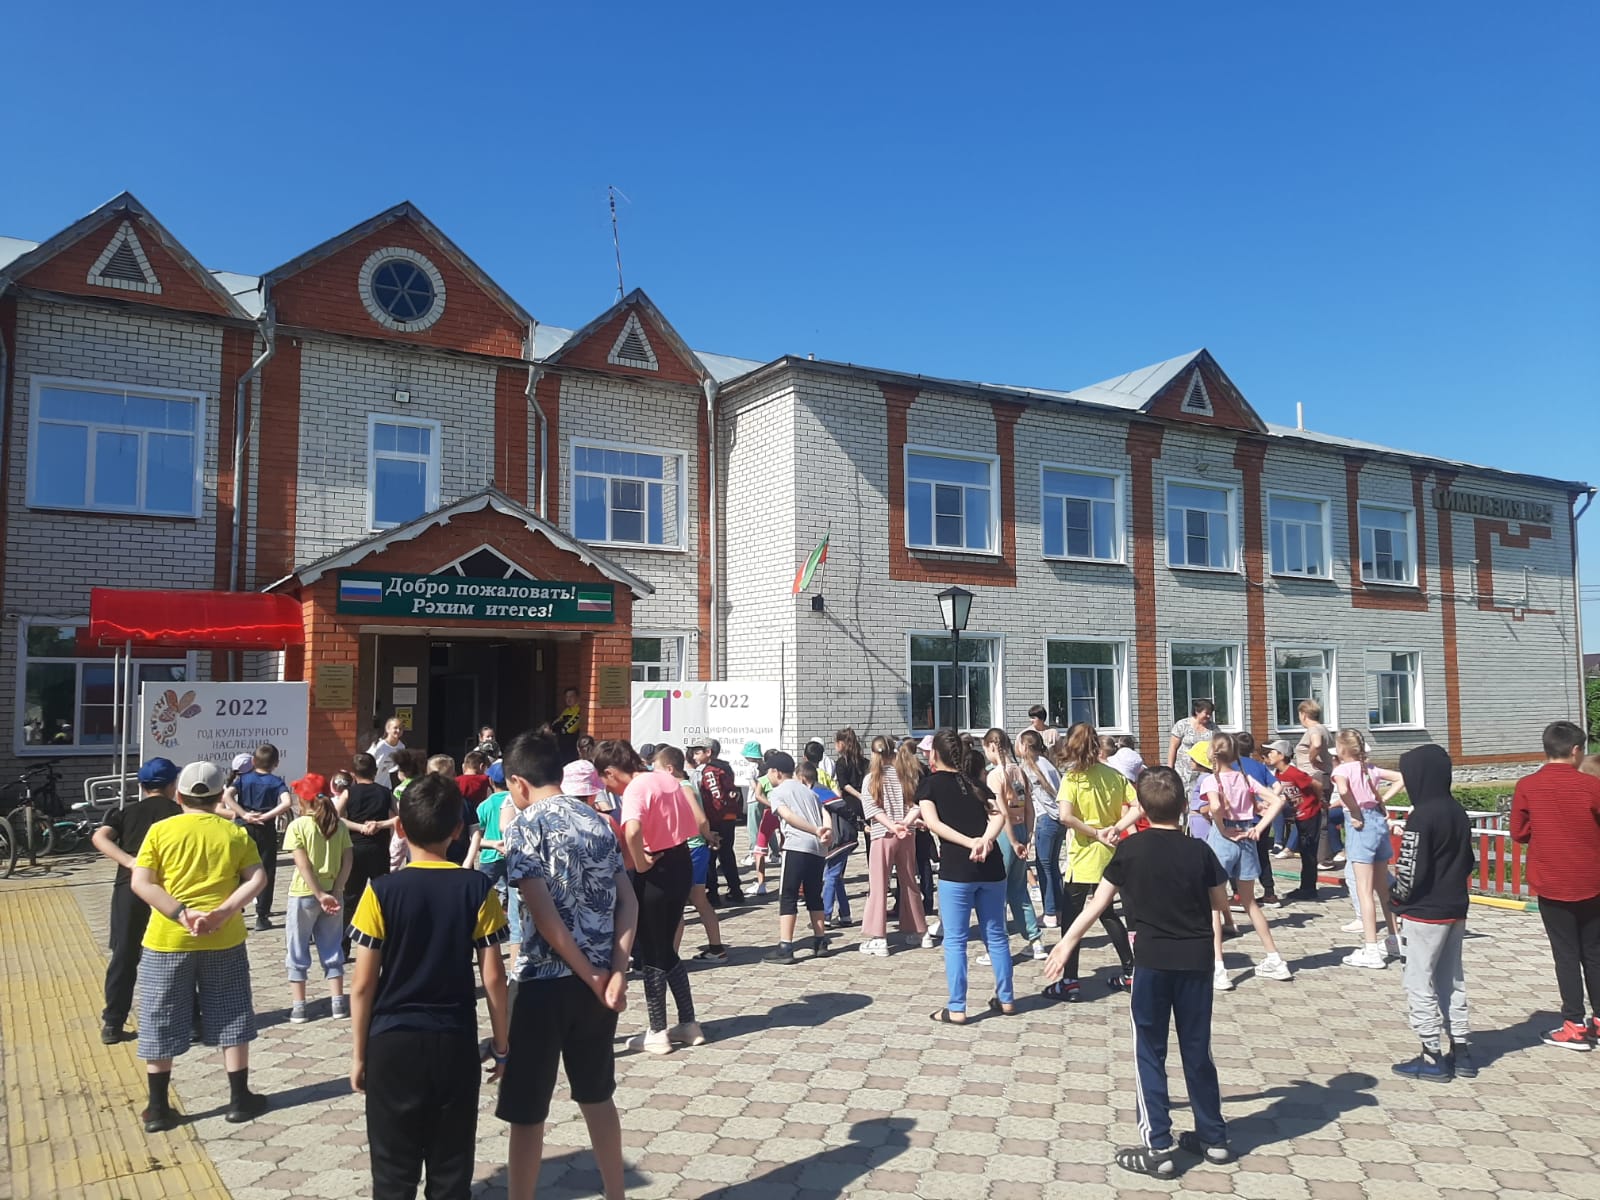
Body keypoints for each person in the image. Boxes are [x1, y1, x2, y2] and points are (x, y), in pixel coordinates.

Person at [1044, 767, 1232, 1178]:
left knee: (1149, 1050)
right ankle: (1213, 1138)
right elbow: (1221, 902)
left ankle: (1158, 1146)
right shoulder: (1199, 850)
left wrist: (1067, 942)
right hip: (1196, 961)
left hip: (1152, 962)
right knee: (1197, 1049)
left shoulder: (1129, 851)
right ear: (1184, 806)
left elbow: (1097, 904)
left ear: (1141, 808)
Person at [348, 772, 510, 1200]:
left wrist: (360, 1054)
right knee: (451, 1168)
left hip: (391, 1040)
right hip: (454, 1038)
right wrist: (502, 1044)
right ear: (457, 830)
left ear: (400, 827)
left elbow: (362, 984)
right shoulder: (478, 888)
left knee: (392, 1171)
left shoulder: (380, 891)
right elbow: (494, 977)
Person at [498, 733, 636, 1200]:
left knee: (527, 1110)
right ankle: (615, 1192)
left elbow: (542, 914)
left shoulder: (525, 825)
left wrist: (593, 973)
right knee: (597, 1095)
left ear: (518, 782)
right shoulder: (599, 821)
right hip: (598, 984)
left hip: (542, 982)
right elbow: (628, 902)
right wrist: (615, 971)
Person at [131, 760, 269, 1131]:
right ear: (219, 796)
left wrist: (180, 913)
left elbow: (141, 883)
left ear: (178, 796)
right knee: (232, 1011)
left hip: (167, 939)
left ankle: (157, 1108)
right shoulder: (234, 832)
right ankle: (239, 1100)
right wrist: (223, 911)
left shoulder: (160, 831)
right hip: (224, 937)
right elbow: (257, 878)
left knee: (160, 1016)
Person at [594, 740, 700, 1055]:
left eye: (605, 781)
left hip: (656, 870)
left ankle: (657, 1030)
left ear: (611, 772)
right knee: (665, 948)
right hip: (681, 861)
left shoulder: (636, 789)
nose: (607, 788)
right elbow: (694, 820)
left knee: (652, 951)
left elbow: (632, 830)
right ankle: (688, 1023)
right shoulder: (667, 779)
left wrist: (640, 862)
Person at [1389, 744, 1476, 1081]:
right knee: (1452, 979)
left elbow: (1410, 870)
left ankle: (1431, 1054)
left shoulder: (1421, 816)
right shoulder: (1457, 811)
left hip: (1424, 912)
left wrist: (1397, 899)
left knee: (1419, 980)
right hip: (1455, 906)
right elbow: (1468, 860)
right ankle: (1462, 1050)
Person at [1512, 719, 1600, 1050]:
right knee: (1595, 951)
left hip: (1551, 881)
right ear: (1576, 751)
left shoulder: (1528, 786)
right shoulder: (1591, 786)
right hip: (1593, 880)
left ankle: (1574, 1024)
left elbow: (1519, 832)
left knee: (1566, 954)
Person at [917, 728, 1011, 1023]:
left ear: (934, 754)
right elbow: (999, 814)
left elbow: (934, 823)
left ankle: (957, 1007)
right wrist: (986, 840)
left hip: (957, 869)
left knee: (956, 940)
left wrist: (971, 843)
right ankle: (1006, 998)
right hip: (992, 866)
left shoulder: (929, 785)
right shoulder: (974, 781)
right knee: (996, 935)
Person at [1046, 723, 1139, 1001]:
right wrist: (1117, 827)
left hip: (1084, 855)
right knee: (1108, 913)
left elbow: (1065, 816)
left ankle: (1070, 981)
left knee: (1071, 919)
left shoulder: (1072, 779)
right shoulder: (1114, 775)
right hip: (1110, 854)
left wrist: (1095, 832)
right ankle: (1131, 971)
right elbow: (1138, 806)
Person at [94, 757, 183, 1045]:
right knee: (180, 951)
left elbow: (100, 838)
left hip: (129, 888)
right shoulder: (179, 812)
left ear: (142, 786)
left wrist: (130, 861)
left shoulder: (126, 812)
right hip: (169, 888)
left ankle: (113, 1022)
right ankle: (191, 1020)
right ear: (172, 785)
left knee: (124, 954)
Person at [1199, 733, 1293, 989]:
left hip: (1223, 840)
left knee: (1214, 906)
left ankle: (1219, 968)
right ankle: (1274, 958)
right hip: (1247, 838)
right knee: (1250, 902)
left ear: (1212, 753)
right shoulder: (1245, 777)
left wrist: (1220, 825)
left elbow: (1215, 807)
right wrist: (1259, 828)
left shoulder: (1211, 780)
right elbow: (1277, 800)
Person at [283, 773, 353, 1023]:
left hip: (304, 893)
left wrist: (318, 894)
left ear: (303, 800)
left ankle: (299, 1006)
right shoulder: (339, 825)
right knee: (333, 946)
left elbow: (303, 865)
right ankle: (338, 1003)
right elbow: (348, 860)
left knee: (297, 947)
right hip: (333, 893)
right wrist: (335, 891)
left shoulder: (297, 826)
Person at [1332, 729, 1404, 969]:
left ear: (1342, 749)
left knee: (1364, 890)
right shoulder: (1371, 769)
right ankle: (1394, 939)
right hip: (1378, 822)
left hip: (1360, 826)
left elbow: (1343, 791)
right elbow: (1400, 778)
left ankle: (1371, 948)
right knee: (1383, 887)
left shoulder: (1342, 770)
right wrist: (1383, 799)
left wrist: (1354, 811)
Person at [656, 745, 728, 963]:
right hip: (695, 848)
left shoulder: (682, 787)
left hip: (691, 849)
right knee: (699, 900)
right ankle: (716, 948)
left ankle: (670, 958)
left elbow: (701, 819)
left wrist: (707, 835)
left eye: (657, 769)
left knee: (676, 904)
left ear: (669, 769)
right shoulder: (683, 786)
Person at [763, 751, 836, 963]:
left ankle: (785, 946)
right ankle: (820, 941)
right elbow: (825, 813)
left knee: (788, 895)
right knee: (814, 894)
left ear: (776, 772)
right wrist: (826, 831)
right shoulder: (808, 791)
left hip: (796, 846)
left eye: (768, 772)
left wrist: (815, 830)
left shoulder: (777, 792)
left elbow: (788, 816)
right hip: (818, 849)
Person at [859, 735, 927, 956]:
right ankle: (920, 931)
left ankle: (879, 938)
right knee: (909, 881)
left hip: (883, 834)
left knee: (879, 884)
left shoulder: (872, 778)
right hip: (907, 834)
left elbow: (873, 810)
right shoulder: (906, 775)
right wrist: (905, 823)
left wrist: (892, 825)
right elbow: (917, 805)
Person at [982, 728, 1045, 963]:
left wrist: (1012, 841)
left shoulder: (994, 776)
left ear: (991, 747)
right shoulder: (1020, 771)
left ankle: (997, 947)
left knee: (996, 892)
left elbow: (1001, 813)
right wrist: (1026, 836)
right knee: (1019, 890)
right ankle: (1035, 941)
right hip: (1020, 830)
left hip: (1004, 836)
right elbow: (1029, 809)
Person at [222, 743, 292, 931]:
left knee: (238, 867)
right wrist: (267, 815)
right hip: (265, 829)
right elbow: (287, 802)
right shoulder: (276, 782)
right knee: (266, 870)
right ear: (276, 763)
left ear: (253, 761)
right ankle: (262, 915)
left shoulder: (243, 779)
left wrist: (244, 814)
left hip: (244, 827)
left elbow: (227, 796)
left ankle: (235, 908)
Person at [337, 753, 396, 960]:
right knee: (383, 897)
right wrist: (380, 824)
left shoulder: (348, 793)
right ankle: (386, 945)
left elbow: (336, 817)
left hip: (355, 850)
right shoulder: (385, 792)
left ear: (353, 774)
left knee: (350, 898)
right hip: (379, 850)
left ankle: (343, 947)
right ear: (376, 771)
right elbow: (401, 815)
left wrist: (359, 826)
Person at [1265, 740, 1324, 902]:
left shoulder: (1293, 772)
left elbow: (1317, 784)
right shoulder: (1279, 774)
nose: (1268, 755)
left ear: (1281, 755)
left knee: (1309, 852)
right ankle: (1305, 886)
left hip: (1310, 814)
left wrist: (1318, 801)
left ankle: (1309, 889)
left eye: (1271, 752)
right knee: (1304, 851)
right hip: (1299, 815)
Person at [1017, 730, 1064, 928]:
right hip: (1059, 820)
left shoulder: (1029, 767)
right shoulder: (1048, 763)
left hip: (1046, 818)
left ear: (1025, 746)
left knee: (1044, 867)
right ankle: (1059, 911)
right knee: (1052, 866)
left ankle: (1050, 912)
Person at [690, 737, 745, 905]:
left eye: (697, 752)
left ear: (708, 752)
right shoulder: (725, 767)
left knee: (710, 857)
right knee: (727, 854)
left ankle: (712, 894)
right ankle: (735, 890)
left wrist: (708, 823)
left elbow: (717, 798)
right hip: (728, 818)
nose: (693, 756)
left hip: (717, 819)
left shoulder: (710, 771)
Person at [1232, 733, 1280, 908]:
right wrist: (1268, 801)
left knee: (1237, 856)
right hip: (1261, 818)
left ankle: (1238, 895)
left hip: (1241, 817)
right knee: (1262, 855)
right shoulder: (1260, 766)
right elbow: (1278, 785)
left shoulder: (1232, 766)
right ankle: (1270, 893)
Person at [810, 760, 858, 930]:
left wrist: (857, 823)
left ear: (803, 779)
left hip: (840, 838)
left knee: (830, 876)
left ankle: (826, 915)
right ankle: (845, 915)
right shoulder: (817, 791)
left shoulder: (819, 792)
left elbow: (841, 806)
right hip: (838, 839)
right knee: (835, 876)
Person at [1167, 700, 1216, 789]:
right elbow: (1173, 747)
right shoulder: (1183, 725)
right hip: (1183, 770)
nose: (1209, 716)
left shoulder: (1213, 728)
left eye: (1210, 714)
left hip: (1203, 771)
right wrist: (1170, 768)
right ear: (1197, 711)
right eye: (1206, 713)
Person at [735, 741, 763, 865]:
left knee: (753, 828)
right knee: (765, 826)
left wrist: (757, 794)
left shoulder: (750, 768)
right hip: (763, 800)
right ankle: (774, 852)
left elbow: (753, 785)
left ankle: (753, 853)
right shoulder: (763, 766)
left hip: (753, 800)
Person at [368, 716, 406, 789]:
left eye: (400, 728)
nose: (398, 730)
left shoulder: (401, 747)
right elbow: (366, 760)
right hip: (372, 783)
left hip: (386, 785)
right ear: (388, 729)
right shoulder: (379, 745)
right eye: (395, 728)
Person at [553, 688, 583, 760]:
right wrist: (561, 726)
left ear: (577, 697)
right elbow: (554, 726)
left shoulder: (579, 710)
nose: (568, 699)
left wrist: (561, 726)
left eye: (571, 696)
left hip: (572, 746)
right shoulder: (566, 710)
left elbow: (569, 729)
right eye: (566, 697)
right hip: (562, 746)